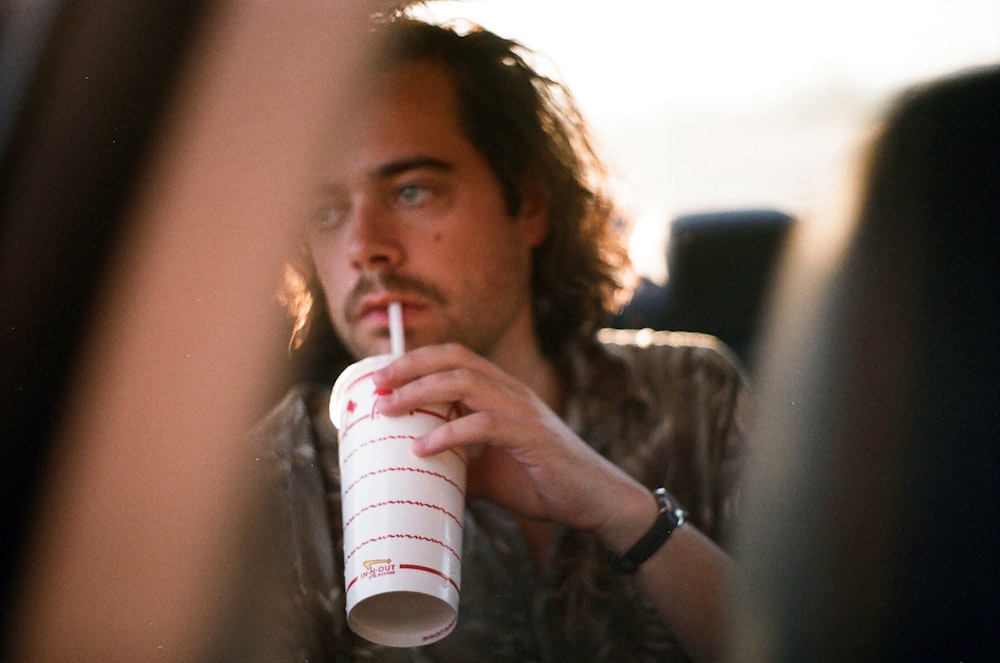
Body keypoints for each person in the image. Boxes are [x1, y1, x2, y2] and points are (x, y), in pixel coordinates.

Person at [253, 13, 750, 662]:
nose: (364, 248)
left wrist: (624, 510)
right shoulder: (272, 478)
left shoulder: (693, 392)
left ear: (532, 205)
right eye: (325, 212)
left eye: (411, 190)